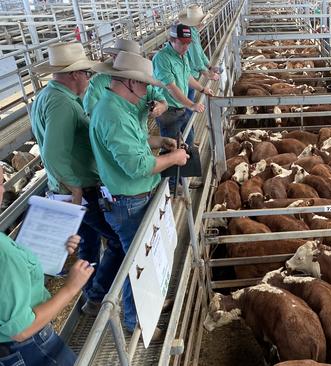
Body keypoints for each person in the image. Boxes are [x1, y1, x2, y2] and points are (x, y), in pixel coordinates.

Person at [89, 51, 189, 339]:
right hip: (129, 201)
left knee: (146, 258)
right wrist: (175, 158)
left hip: (134, 198)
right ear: (128, 82)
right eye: (144, 84)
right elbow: (137, 166)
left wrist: (159, 140)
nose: (147, 90)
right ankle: (135, 323)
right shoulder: (113, 114)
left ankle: (152, 305)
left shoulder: (118, 106)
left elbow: (137, 142)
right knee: (136, 263)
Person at [30, 42, 122, 315]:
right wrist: (76, 190)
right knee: (116, 241)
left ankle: (92, 294)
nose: (88, 77)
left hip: (70, 187)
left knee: (89, 245)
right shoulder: (61, 103)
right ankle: (97, 296)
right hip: (79, 188)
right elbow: (53, 153)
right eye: (85, 72)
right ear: (73, 74)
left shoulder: (48, 96)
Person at [0, 172, 93, 365]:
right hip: (29, 348)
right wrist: (71, 288)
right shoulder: (4, 254)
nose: (2, 189)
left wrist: (55, 246)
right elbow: (21, 330)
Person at [153, 23, 215, 149]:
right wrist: (191, 105)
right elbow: (171, 88)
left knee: (189, 140)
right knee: (172, 147)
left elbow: (187, 77)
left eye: (188, 43)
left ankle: (189, 153)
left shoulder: (183, 54)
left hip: (181, 107)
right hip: (168, 112)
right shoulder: (162, 58)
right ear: (172, 40)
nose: (186, 47)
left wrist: (202, 89)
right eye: (182, 43)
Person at [83, 39, 168, 125]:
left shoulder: (140, 82)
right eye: (116, 56)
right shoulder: (99, 81)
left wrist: (161, 106)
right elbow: (91, 113)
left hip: (138, 133)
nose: (116, 59)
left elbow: (160, 98)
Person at [179, 5, 220, 124]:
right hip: (188, 75)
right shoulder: (190, 36)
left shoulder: (193, 32)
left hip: (189, 74)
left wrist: (210, 66)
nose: (204, 23)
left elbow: (200, 53)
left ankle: (185, 135)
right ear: (197, 23)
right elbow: (196, 58)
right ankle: (185, 135)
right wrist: (208, 74)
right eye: (202, 21)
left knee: (187, 104)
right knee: (186, 107)